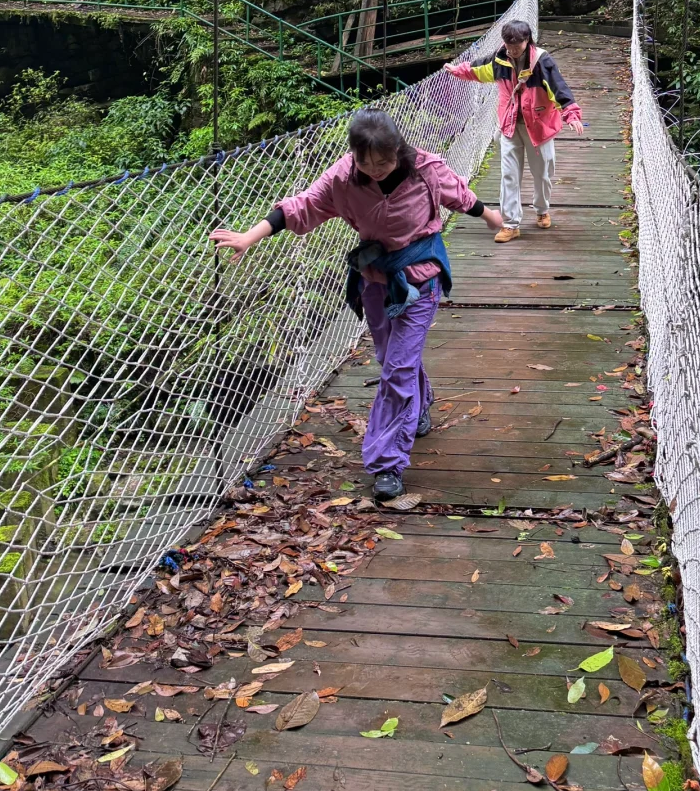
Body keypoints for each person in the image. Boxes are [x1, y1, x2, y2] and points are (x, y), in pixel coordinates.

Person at [209, 109, 503, 502]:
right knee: (390, 357)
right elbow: (302, 206)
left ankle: (387, 464)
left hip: (421, 279)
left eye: (383, 162)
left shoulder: (426, 170)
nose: (375, 170)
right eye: (366, 162)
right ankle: (420, 401)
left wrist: (490, 216)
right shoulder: (343, 178)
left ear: (398, 151)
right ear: (354, 156)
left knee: (398, 367)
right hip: (377, 279)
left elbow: (461, 196)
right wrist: (250, 237)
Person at [445, 20, 583, 242]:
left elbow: (559, 89)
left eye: (516, 47)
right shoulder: (500, 58)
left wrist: (571, 114)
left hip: (539, 127)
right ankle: (510, 224)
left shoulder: (541, 61)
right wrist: (458, 71)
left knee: (543, 174)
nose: (512, 51)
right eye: (509, 46)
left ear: (526, 41)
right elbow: (478, 69)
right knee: (509, 175)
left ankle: (541, 209)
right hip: (509, 125)